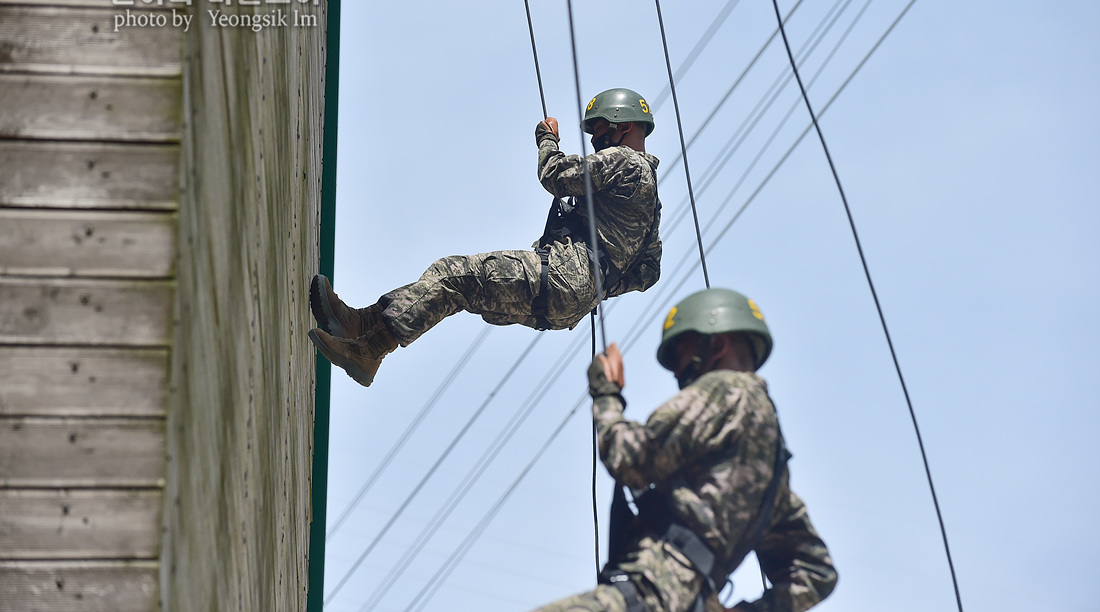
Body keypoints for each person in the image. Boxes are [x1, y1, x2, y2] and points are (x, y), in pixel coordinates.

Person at [309, 88, 663, 387]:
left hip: (561, 276)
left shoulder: (626, 161)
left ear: (624, 126)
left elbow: (555, 174)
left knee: (452, 274)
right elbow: (648, 271)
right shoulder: (651, 200)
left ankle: (370, 350)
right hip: (567, 305)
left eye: (599, 129)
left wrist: (547, 138)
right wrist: (598, 279)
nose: (594, 138)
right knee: (457, 289)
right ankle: (363, 325)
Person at [533, 288, 837, 612]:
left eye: (680, 353)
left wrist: (607, 394)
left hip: (649, 593)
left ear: (716, 345)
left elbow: (629, 459)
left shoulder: (724, 391)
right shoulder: (773, 470)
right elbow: (816, 572)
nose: (677, 372)